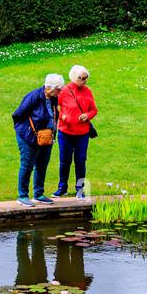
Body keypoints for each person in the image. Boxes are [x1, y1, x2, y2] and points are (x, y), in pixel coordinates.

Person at [11, 74, 64, 207]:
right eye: (58, 89)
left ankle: (38, 194)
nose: (59, 92)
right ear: (48, 87)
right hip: (28, 137)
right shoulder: (34, 97)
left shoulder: (53, 98)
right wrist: (29, 132)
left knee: (42, 165)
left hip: (46, 138)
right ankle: (22, 195)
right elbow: (18, 115)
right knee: (27, 165)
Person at [53, 64, 98, 200]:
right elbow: (56, 107)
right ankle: (62, 187)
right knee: (64, 161)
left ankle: (80, 188)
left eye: (85, 78)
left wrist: (87, 115)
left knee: (80, 161)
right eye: (81, 78)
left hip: (82, 134)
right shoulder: (65, 91)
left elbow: (94, 109)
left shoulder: (88, 91)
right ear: (73, 77)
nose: (84, 80)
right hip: (65, 132)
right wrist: (63, 116)